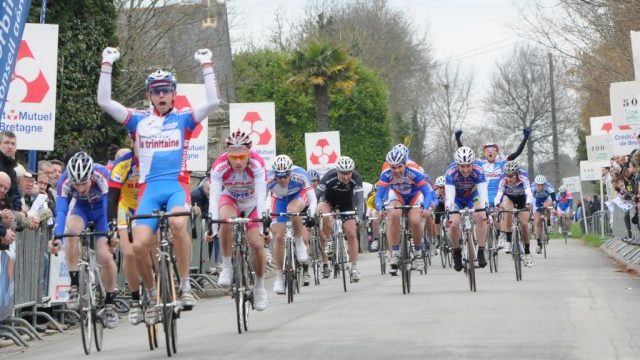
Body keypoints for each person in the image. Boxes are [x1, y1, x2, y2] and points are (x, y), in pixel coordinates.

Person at [97, 46, 220, 319]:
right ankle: (151, 295)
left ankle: (186, 285)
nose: (162, 95)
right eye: (156, 91)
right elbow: (105, 102)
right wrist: (107, 64)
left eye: (166, 90)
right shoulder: (138, 120)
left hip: (176, 186)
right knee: (139, 246)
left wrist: (206, 65)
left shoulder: (184, 118)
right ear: (149, 96)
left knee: (178, 223)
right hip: (149, 189)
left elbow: (213, 102)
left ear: (174, 94)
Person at [48, 152, 119, 329]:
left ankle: (110, 303)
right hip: (82, 210)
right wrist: (57, 236)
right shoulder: (64, 181)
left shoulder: (102, 175)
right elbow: (62, 211)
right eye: (76, 184)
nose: (80, 188)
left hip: (102, 212)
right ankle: (74, 284)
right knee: (71, 231)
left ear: (91, 176)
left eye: (84, 183)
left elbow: (109, 205)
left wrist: (112, 232)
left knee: (105, 256)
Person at [209, 131, 270, 310]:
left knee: (257, 246)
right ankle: (227, 266)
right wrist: (213, 227)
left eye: (241, 156)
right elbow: (214, 198)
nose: (237, 161)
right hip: (231, 199)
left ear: (249, 154)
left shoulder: (257, 163)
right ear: (226, 154)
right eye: (233, 156)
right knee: (225, 220)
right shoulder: (219, 166)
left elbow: (261, 196)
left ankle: (259, 287)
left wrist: (263, 223)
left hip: (252, 203)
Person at [456, 128, 530, 249]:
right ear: (484, 153)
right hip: (482, 195)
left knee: (499, 215)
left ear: (496, 153)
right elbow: (464, 155)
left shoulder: (502, 163)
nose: (490, 152)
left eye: (493, 150)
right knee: (479, 216)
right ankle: (479, 241)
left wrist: (525, 139)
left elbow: (516, 153)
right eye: (487, 150)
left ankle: (501, 235)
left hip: (498, 195)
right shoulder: (479, 163)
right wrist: (458, 139)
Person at [375, 147, 433, 275]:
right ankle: (395, 252)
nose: (396, 171)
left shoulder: (414, 172)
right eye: (393, 167)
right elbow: (379, 196)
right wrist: (380, 208)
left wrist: (426, 207)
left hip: (414, 195)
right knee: (394, 215)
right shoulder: (386, 175)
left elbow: (427, 192)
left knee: (416, 221)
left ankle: (418, 254)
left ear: (404, 164)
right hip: (397, 195)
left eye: (399, 167)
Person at [107, 148, 145, 325]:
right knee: (129, 253)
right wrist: (111, 226)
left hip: (146, 206)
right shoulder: (123, 164)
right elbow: (112, 198)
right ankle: (135, 299)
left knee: (150, 248)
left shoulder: (153, 159)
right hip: (126, 208)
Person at [267, 154, 317, 291]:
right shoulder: (269, 178)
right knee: (278, 236)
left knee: (292, 210)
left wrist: (311, 215)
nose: (282, 179)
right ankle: (278, 277)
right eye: (279, 176)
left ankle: (300, 242)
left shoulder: (301, 174)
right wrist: (265, 216)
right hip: (279, 199)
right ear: (275, 174)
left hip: (297, 195)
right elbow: (264, 198)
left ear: (291, 172)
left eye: (285, 176)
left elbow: (313, 199)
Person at [316, 156, 364, 281]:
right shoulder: (328, 176)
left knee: (352, 233)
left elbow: (359, 200)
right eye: (342, 173)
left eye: (348, 173)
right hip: (328, 201)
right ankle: (329, 239)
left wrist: (359, 215)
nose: (346, 176)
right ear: (337, 171)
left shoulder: (357, 178)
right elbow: (316, 196)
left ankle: (354, 268)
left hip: (346, 204)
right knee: (321, 211)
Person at [444, 146, 489, 271]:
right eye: (462, 166)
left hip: (472, 196)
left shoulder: (478, 170)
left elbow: (483, 193)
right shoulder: (451, 172)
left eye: (468, 166)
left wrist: (486, 209)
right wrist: (449, 210)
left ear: (472, 164)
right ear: (457, 165)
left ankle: (480, 250)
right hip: (457, 198)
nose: (465, 169)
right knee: (453, 224)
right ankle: (457, 252)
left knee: (480, 217)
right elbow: (450, 197)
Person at [494, 161, 534, 266]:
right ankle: (508, 240)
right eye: (508, 175)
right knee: (508, 210)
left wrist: (529, 203)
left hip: (522, 199)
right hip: (509, 198)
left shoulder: (523, 177)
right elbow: (499, 193)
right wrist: (497, 204)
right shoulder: (503, 179)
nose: (509, 178)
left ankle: (527, 252)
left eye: (512, 176)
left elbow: (528, 191)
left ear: (517, 174)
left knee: (524, 225)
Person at [0, 131, 24, 211]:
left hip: (10, 212)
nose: (10, 146)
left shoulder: (12, 170)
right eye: (6, 143)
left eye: (13, 144)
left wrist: (18, 210)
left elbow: (15, 195)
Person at [531, 175, 555, 254]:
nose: (541, 187)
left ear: (545, 184)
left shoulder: (549, 188)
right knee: (537, 222)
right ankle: (538, 243)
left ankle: (548, 224)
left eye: (542, 185)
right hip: (536, 200)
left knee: (547, 207)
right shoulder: (532, 188)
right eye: (539, 185)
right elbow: (529, 199)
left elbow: (553, 200)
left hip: (546, 198)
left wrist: (553, 206)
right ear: (536, 184)